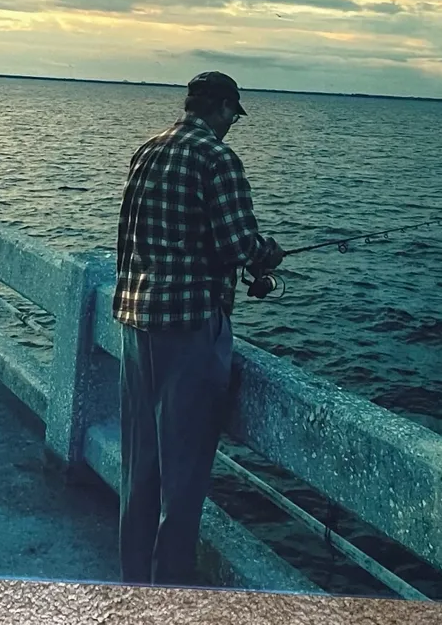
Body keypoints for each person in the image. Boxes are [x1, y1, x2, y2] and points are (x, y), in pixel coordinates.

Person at [112, 70, 285, 588]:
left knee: (139, 464)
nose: (232, 123)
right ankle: (169, 589)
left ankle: (133, 580)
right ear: (224, 108)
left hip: (136, 322)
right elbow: (238, 245)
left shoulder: (148, 149)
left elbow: (127, 237)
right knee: (183, 474)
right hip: (188, 329)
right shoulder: (217, 158)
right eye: (233, 114)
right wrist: (267, 254)